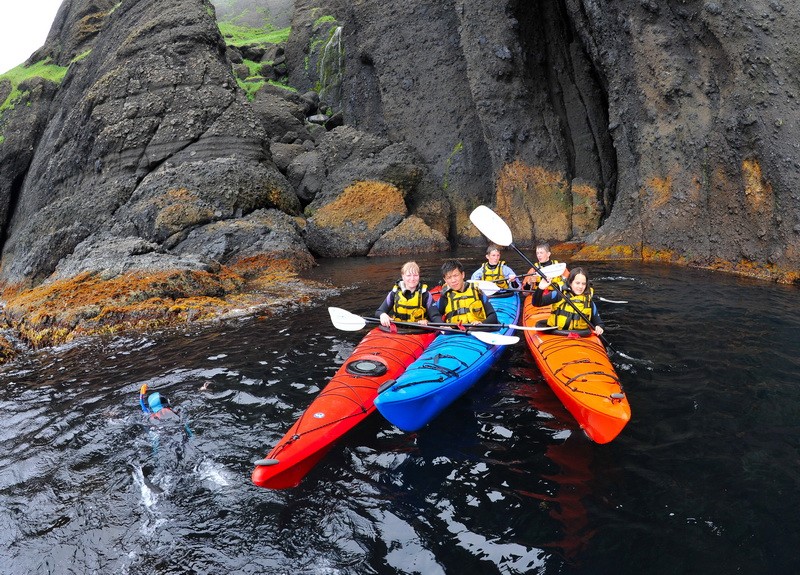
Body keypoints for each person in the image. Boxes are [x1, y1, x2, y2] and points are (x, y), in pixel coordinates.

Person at [532, 266, 605, 336]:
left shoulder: (588, 300)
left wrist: (599, 327)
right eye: (577, 283)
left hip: (580, 336)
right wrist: (540, 288)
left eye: (583, 284)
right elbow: (536, 303)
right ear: (570, 282)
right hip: (557, 334)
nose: (580, 287)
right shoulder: (559, 294)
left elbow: (599, 322)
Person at [376, 261, 442, 328]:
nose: (412, 279)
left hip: (419, 330)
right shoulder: (394, 293)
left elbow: (435, 316)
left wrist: (430, 323)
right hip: (398, 330)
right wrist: (382, 315)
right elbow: (379, 311)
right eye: (408, 275)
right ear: (403, 276)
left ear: (419, 276)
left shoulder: (425, 295)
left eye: (415, 275)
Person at [438, 259, 498, 325]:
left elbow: (493, 317)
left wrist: (481, 324)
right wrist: (442, 326)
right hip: (455, 332)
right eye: (449, 277)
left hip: (478, 330)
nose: (453, 280)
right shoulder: (445, 296)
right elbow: (435, 317)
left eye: (455, 275)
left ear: (462, 275)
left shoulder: (477, 291)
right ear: (445, 280)